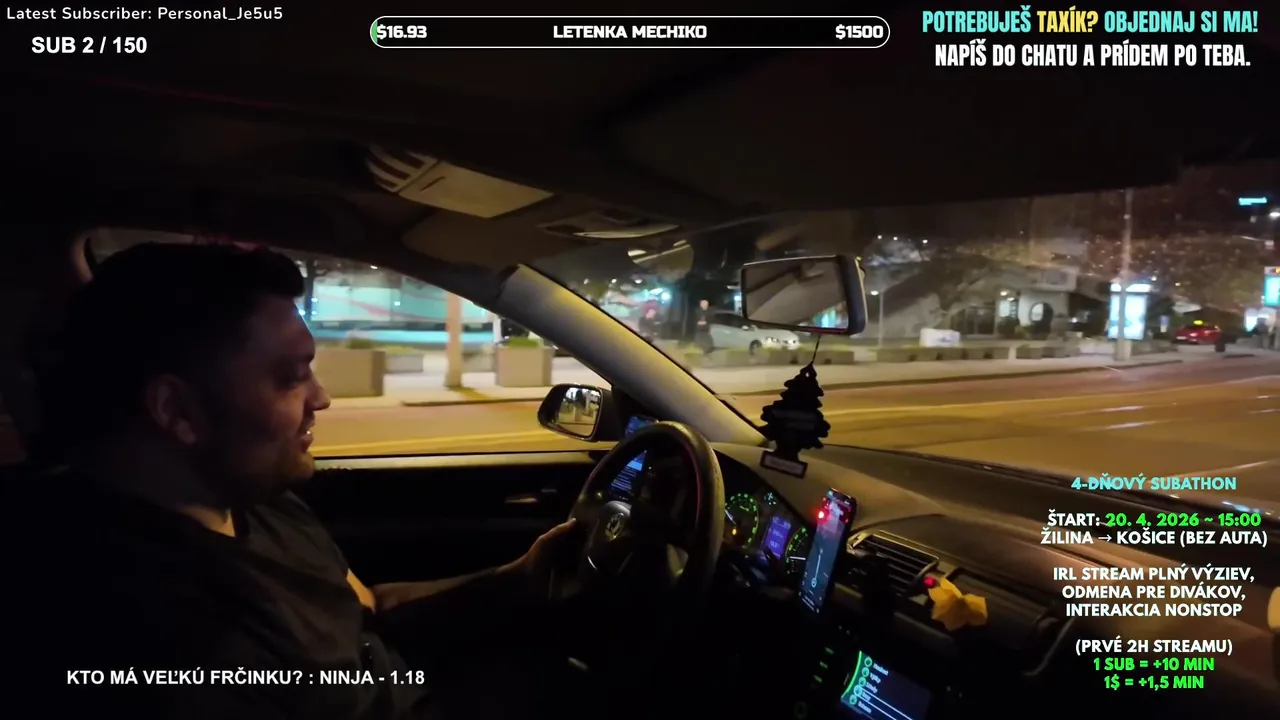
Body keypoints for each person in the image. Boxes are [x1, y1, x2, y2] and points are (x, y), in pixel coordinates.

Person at [35, 242, 577, 719]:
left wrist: (521, 577)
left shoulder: (252, 497)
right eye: (292, 378)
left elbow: (364, 611)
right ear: (177, 410)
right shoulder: (167, 640)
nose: (322, 397)